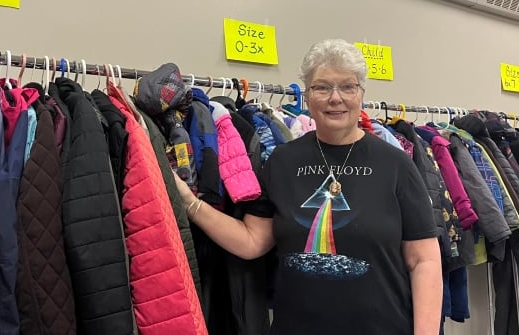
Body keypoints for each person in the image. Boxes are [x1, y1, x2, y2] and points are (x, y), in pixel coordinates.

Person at [173, 39, 442, 334]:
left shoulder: (396, 165)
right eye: (322, 87)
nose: (335, 98)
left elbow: (424, 261)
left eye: (347, 87)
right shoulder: (282, 161)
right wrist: (189, 202)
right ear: (308, 95)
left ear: (361, 94)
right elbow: (252, 241)